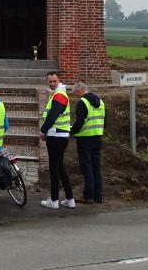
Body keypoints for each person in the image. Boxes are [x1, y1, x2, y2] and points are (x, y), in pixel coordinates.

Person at [39, 71, 75, 209]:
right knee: (60, 167)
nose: (52, 83)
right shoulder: (58, 94)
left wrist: (43, 131)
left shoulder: (59, 95)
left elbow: (52, 117)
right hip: (62, 136)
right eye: (50, 81)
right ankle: (69, 199)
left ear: (59, 80)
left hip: (56, 137)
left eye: (54, 81)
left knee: (54, 168)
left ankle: (54, 200)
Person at [70, 82, 105, 204]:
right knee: (96, 167)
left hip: (84, 139)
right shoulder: (100, 101)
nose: (76, 96)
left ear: (80, 90)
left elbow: (79, 122)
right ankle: (98, 196)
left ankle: (88, 196)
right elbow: (104, 120)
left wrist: (71, 131)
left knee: (87, 168)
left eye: (75, 93)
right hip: (97, 137)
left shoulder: (82, 102)